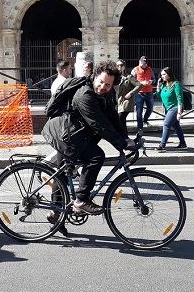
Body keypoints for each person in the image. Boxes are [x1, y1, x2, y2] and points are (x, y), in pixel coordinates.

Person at [42, 60, 134, 215]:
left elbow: (112, 118)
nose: (103, 87)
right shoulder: (84, 95)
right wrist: (120, 143)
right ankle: (81, 200)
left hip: (75, 133)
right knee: (96, 157)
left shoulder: (107, 94)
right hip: (64, 134)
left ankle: (56, 214)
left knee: (64, 172)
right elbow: (99, 124)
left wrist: (127, 139)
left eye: (108, 85)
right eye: (101, 82)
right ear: (95, 76)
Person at [156, 67, 187, 151]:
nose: (162, 76)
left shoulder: (176, 84)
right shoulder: (164, 85)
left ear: (169, 74)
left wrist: (179, 113)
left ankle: (162, 145)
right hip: (168, 109)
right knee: (176, 125)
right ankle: (183, 143)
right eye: (161, 75)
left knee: (166, 124)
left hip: (175, 108)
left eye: (164, 74)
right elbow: (159, 96)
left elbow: (179, 99)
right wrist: (158, 86)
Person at [116, 60, 141, 134]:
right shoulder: (115, 77)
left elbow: (139, 85)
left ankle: (124, 137)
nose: (119, 67)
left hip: (126, 101)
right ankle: (124, 137)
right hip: (118, 100)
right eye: (118, 65)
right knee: (120, 120)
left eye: (121, 65)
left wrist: (131, 93)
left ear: (124, 67)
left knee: (121, 118)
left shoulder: (129, 77)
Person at [131, 56, 155, 132]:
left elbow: (154, 79)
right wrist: (141, 83)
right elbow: (131, 80)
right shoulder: (135, 69)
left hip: (149, 92)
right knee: (139, 112)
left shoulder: (150, 69)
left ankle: (145, 120)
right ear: (139, 62)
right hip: (139, 93)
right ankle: (140, 128)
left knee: (150, 109)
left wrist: (151, 82)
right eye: (142, 63)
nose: (143, 65)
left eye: (145, 64)